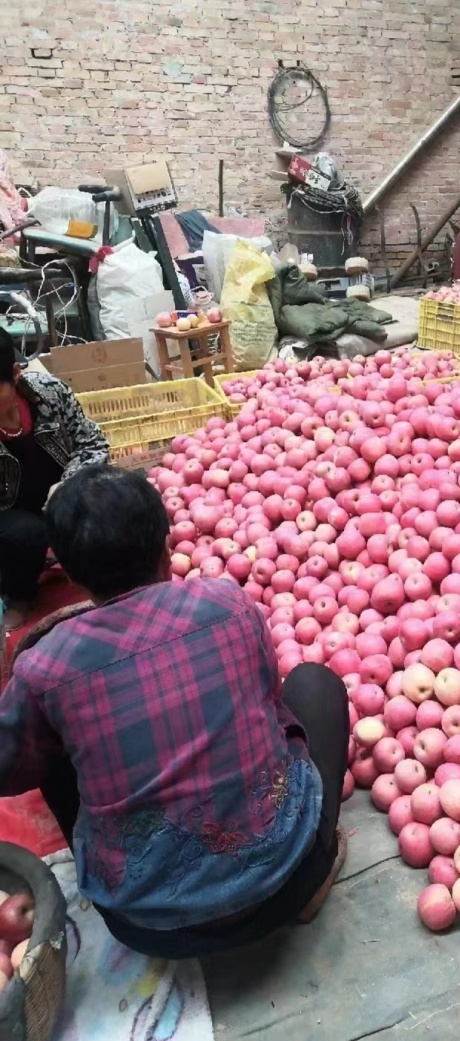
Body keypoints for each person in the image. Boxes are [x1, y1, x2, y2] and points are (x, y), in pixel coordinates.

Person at [0, 465, 350, 959]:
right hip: (284, 880)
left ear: (71, 576)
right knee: (315, 684)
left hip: (147, 925)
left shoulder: (45, 666)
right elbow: (271, 703)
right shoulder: (229, 603)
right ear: (167, 548)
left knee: (48, 743)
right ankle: (317, 868)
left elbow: (8, 768)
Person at [0, 326, 109, 628]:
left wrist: (67, 484)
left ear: (15, 374)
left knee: (111, 491)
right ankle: (18, 593)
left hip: (60, 496)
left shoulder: (50, 394)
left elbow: (93, 444)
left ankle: (96, 573)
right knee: (25, 534)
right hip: (10, 515)